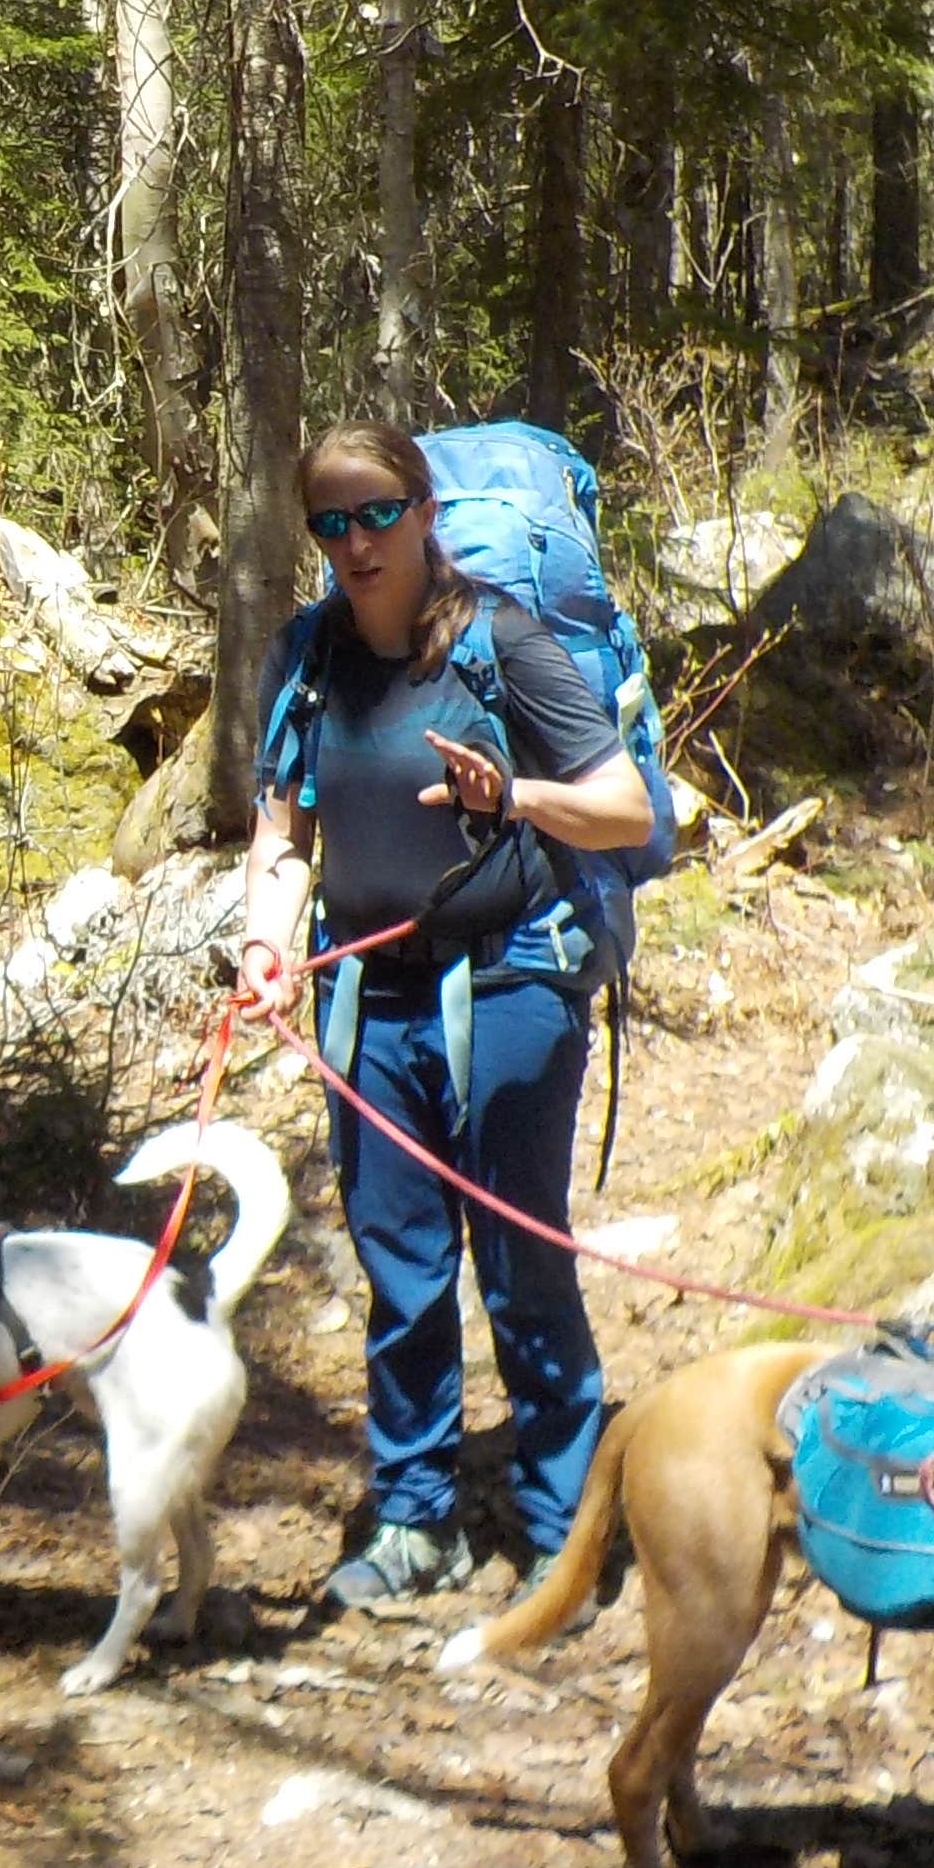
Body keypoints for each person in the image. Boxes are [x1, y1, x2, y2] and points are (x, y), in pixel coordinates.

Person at [232, 419, 655, 1611]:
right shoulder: (306, 658)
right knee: (401, 1267)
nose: (355, 542)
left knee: (521, 1260)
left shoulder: (500, 643)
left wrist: (511, 793)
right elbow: (282, 827)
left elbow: (618, 807)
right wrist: (268, 947)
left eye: (376, 514)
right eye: (330, 522)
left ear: (424, 511)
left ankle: (563, 1528)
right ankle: (414, 1519)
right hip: (366, 996)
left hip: (513, 981)